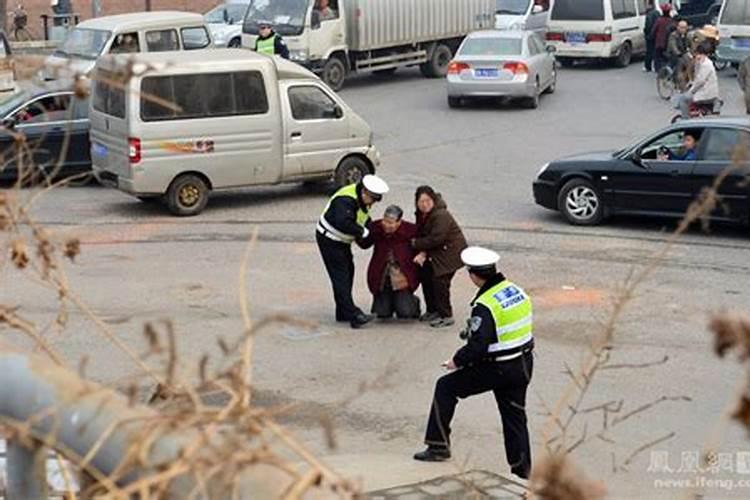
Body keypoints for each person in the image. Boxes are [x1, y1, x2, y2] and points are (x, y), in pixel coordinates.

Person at [413, 247, 535, 483]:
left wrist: (456, 361)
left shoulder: (486, 304)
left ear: (474, 275)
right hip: (523, 364)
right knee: (515, 418)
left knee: (446, 387)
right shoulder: (515, 290)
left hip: (498, 367)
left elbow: (478, 346)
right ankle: (523, 473)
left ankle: (438, 446)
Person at [317, 175, 389, 329]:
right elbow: (343, 222)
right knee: (341, 276)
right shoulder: (345, 200)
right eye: (373, 199)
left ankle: (343, 311)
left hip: (342, 242)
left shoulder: (362, 199)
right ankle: (354, 315)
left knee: (348, 271)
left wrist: (372, 228)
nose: (373, 203)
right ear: (364, 192)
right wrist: (363, 232)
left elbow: (362, 216)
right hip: (329, 240)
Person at [411, 186, 467, 329]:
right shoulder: (422, 214)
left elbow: (436, 238)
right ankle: (432, 310)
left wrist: (415, 244)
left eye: (427, 200)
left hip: (449, 253)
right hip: (436, 251)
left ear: (433, 200)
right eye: (421, 201)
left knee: (440, 281)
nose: (424, 204)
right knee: (426, 275)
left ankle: (446, 315)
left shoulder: (441, 215)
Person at [361, 205, 421, 320]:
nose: (386, 225)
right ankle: (387, 302)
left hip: (401, 277)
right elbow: (364, 243)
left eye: (391, 223)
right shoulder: (376, 227)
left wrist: (422, 254)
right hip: (382, 276)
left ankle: (413, 301)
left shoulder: (410, 230)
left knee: (405, 313)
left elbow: (422, 242)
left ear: (399, 222)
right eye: (385, 221)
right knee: (383, 314)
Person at [677, 42, 719, 119]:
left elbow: (700, 81)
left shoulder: (706, 65)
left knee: (683, 99)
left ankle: (685, 120)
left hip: (706, 94)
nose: (697, 56)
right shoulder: (703, 63)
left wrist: (691, 91)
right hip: (706, 91)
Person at [651, 4, 675, 72]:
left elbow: (653, 31)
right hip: (668, 43)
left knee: (658, 57)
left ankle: (658, 70)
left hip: (659, 43)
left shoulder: (659, 20)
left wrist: (652, 37)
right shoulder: (671, 21)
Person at [644, 1, 660, 73]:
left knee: (649, 51)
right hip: (656, 35)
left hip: (650, 35)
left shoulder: (649, 14)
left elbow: (648, 25)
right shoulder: (657, 12)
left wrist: (647, 33)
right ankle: (656, 66)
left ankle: (648, 67)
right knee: (656, 51)